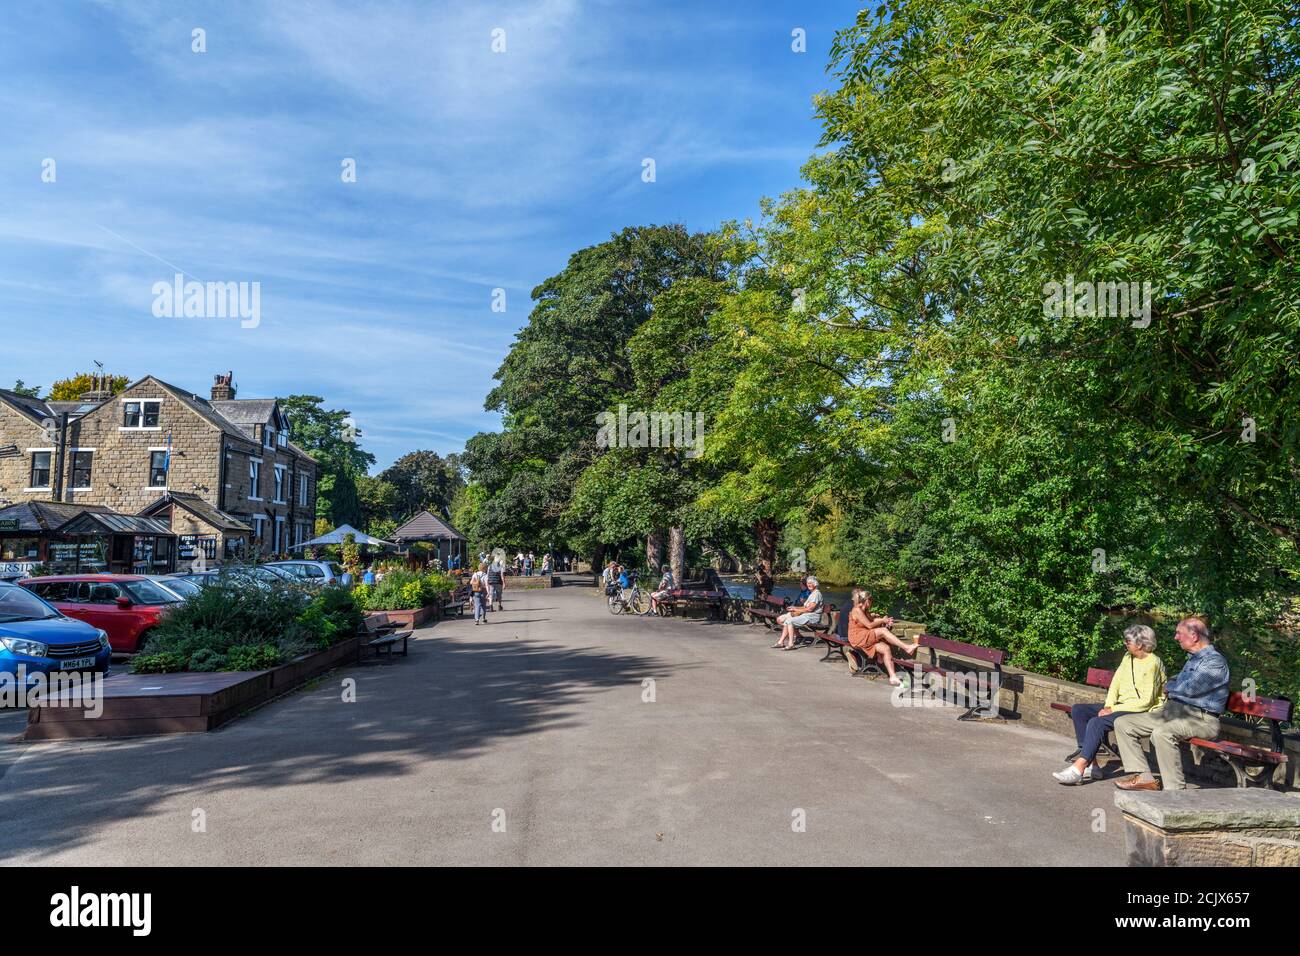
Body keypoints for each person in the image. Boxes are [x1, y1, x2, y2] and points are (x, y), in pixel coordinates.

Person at [1112, 617, 1230, 791]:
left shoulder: (1214, 662)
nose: (1176, 637)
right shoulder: (1193, 659)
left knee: (1162, 733)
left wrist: (1172, 687)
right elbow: (1177, 682)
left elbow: (1190, 688)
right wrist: (1174, 686)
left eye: (1179, 633)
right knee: (1123, 723)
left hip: (1200, 718)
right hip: (1172, 713)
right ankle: (1144, 778)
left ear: (1194, 635)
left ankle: (1175, 791)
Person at [1053, 625, 1165, 785]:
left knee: (1097, 722)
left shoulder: (1153, 663)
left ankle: (1079, 767)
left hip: (1141, 711)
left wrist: (1113, 709)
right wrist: (1108, 705)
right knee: (1079, 710)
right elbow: (1116, 683)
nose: (1125, 644)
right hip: (1121, 706)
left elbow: (1145, 702)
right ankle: (1093, 765)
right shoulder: (1128, 657)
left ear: (1140, 644)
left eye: (1128, 641)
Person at [844, 588, 920, 683]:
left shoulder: (865, 610)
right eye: (871, 601)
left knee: (886, 648)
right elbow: (869, 625)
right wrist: (882, 621)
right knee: (883, 631)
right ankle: (906, 647)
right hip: (857, 637)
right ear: (867, 600)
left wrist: (884, 620)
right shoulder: (857, 610)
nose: (872, 603)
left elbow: (872, 621)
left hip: (865, 636)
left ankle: (892, 677)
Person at [774, 575, 823, 650]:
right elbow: (805, 607)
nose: (809, 585)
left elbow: (810, 609)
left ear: (815, 584)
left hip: (812, 617)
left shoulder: (816, 594)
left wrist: (797, 610)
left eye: (811, 583)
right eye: (808, 583)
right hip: (807, 616)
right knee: (787, 620)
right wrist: (794, 608)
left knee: (789, 621)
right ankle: (781, 642)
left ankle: (791, 644)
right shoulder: (812, 593)